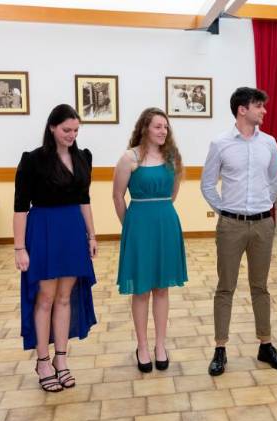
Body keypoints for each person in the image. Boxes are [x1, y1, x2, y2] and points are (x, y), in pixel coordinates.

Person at [201, 87, 277, 376]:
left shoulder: (269, 143)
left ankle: (266, 344)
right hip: (231, 226)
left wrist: (263, 206)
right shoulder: (220, 143)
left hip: (263, 224)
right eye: (258, 106)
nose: (264, 111)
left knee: (260, 287)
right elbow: (207, 184)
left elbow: (276, 181)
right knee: (225, 286)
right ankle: (220, 348)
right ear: (242, 109)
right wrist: (226, 210)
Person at [14, 104, 98, 392]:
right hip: (44, 231)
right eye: (66, 130)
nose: (71, 135)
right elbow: (20, 207)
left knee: (64, 298)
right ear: (52, 127)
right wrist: (19, 248)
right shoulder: (33, 160)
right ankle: (43, 361)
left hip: (72, 231)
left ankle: (61, 360)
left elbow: (84, 199)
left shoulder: (83, 157)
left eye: (75, 130)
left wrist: (92, 236)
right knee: (46, 298)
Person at [113, 107, 188, 373]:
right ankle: (142, 346)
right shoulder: (129, 158)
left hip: (166, 224)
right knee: (141, 289)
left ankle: (160, 345)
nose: (163, 131)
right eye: (158, 126)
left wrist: (160, 214)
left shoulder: (172, 158)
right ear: (144, 128)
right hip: (139, 226)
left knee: (162, 288)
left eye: (165, 127)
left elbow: (173, 193)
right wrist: (130, 226)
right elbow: (117, 196)